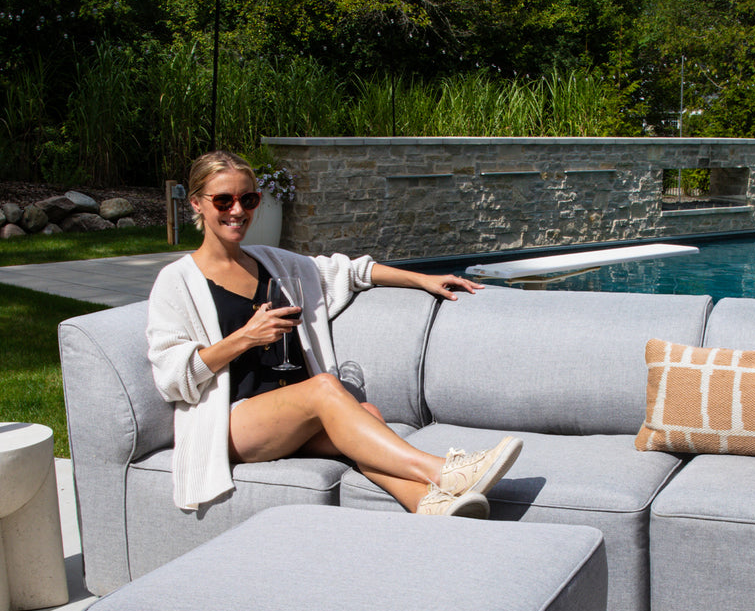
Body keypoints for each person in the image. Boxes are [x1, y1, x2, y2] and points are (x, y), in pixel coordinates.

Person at [146, 150, 521, 515]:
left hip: (291, 417)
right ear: (197, 204)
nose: (238, 211)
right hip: (229, 423)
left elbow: (350, 272)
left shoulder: (273, 262)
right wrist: (244, 337)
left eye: (248, 198)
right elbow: (172, 378)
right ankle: (443, 471)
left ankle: (428, 503)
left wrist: (422, 278)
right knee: (326, 387)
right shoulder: (177, 281)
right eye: (223, 201)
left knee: (367, 415)